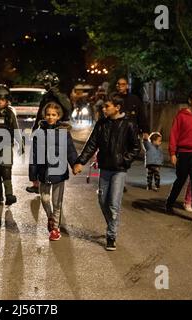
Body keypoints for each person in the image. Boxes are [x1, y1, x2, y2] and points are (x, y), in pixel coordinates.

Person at [73, 93, 140, 251]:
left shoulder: (128, 124)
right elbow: (92, 144)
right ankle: (112, 224)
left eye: (107, 106)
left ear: (117, 108)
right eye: (103, 106)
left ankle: (111, 235)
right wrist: (80, 161)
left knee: (113, 203)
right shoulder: (102, 123)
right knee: (103, 201)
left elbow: (136, 147)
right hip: (105, 168)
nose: (103, 108)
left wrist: (124, 160)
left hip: (119, 170)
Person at [29, 102, 78, 241]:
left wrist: (75, 164)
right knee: (44, 198)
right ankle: (50, 217)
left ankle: (55, 229)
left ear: (58, 116)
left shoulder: (64, 132)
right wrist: (33, 175)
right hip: (44, 172)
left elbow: (70, 150)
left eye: (54, 115)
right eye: (48, 114)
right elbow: (34, 155)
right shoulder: (38, 133)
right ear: (45, 115)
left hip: (59, 172)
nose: (51, 117)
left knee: (57, 203)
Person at [166, 90, 192, 224]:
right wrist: (173, 153)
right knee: (180, 180)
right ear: (190, 100)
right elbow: (174, 135)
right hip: (183, 154)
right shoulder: (181, 116)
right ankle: (169, 203)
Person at [27, 70, 72, 194]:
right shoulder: (46, 96)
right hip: (45, 129)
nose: (45, 85)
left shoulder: (61, 95)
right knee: (39, 156)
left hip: (58, 128)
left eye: (47, 82)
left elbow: (68, 108)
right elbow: (40, 112)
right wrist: (35, 127)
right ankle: (37, 183)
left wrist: (56, 93)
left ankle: (57, 182)